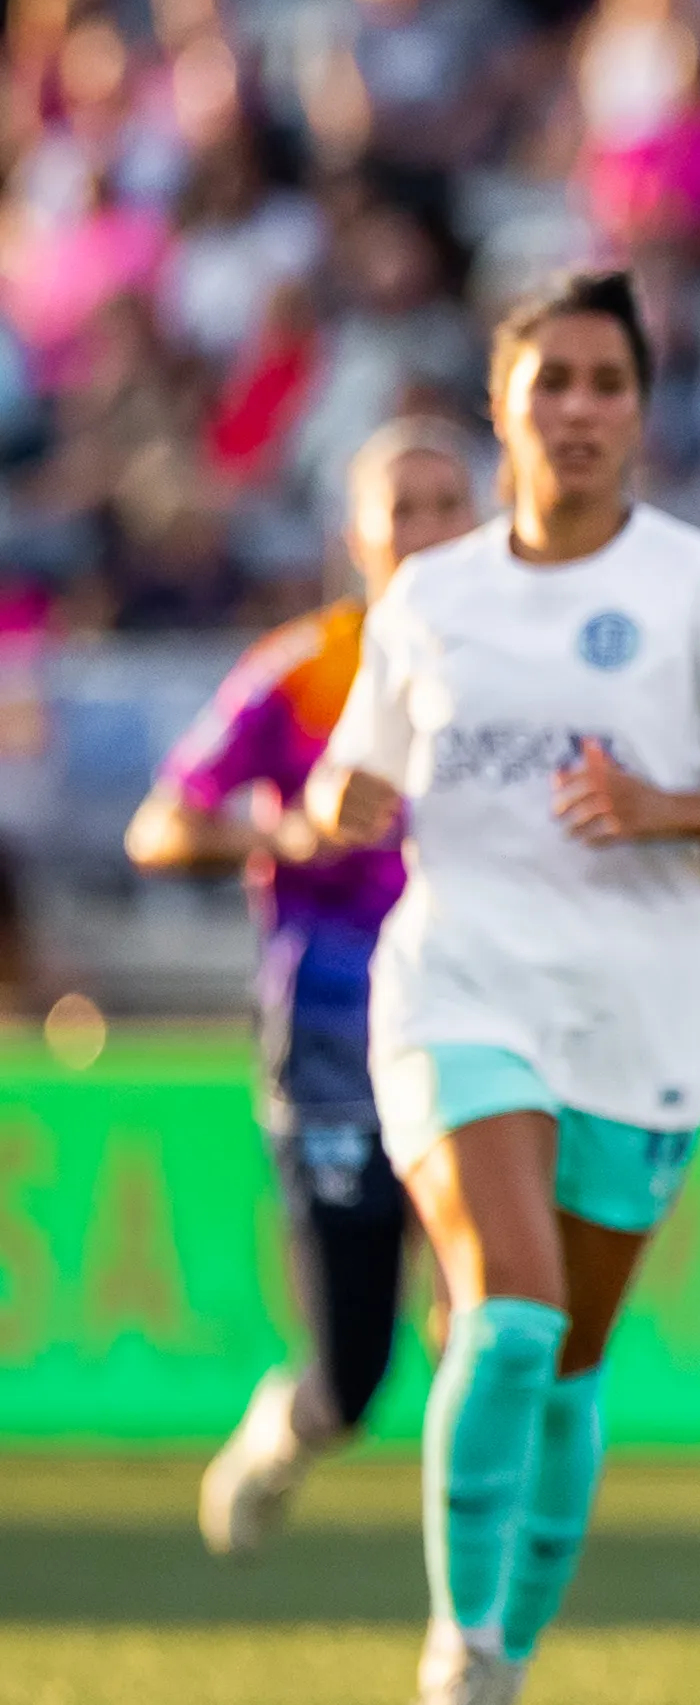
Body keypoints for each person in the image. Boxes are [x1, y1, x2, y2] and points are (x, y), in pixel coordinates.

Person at [306, 272, 700, 1705]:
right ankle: (457, 1648)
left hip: (637, 1013)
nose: (580, 409)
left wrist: (665, 804)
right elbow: (363, 774)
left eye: (607, 380)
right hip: (456, 986)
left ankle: (507, 1664)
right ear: (505, 405)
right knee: (512, 1314)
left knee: (572, 1363)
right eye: (552, 380)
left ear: (643, 405)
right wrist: (340, 807)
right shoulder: (431, 598)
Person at [131, 422, 485, 1554]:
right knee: (355, 1371)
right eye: (403, 508)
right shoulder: (303, 671)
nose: (425, 529)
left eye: (446, 504)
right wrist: (283, 830)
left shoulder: (510, 671)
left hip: (481, 1018)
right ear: (357, 536)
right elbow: (161, 823)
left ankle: (481, 1559)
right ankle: (292, 1427)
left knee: (492, 1307)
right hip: (333, 1034)